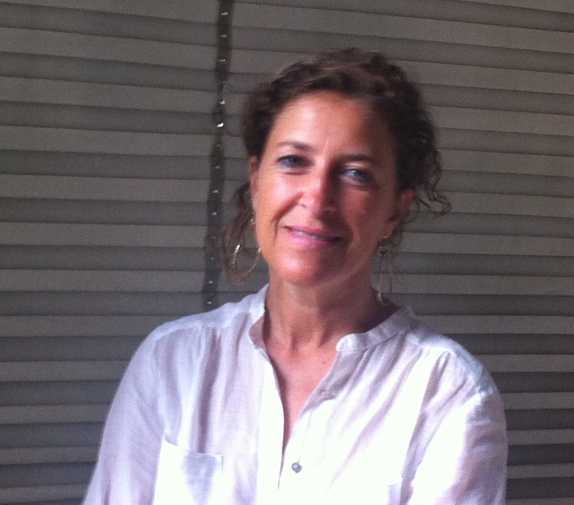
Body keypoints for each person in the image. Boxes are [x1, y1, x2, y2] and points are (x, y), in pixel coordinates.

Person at [83, 48, 507, 505]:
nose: (317, 197)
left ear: (393, 211)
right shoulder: (173, 362)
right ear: (257, 180)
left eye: (356, 174)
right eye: (292, 161)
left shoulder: (446, 393)